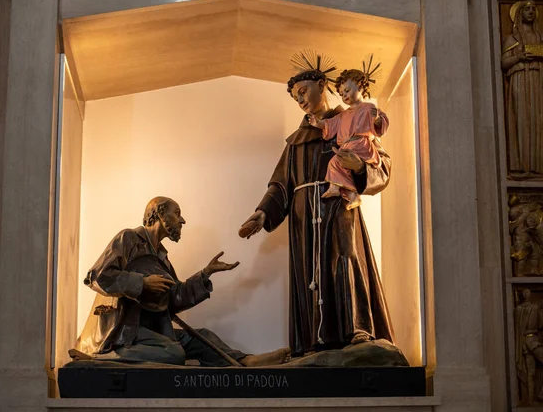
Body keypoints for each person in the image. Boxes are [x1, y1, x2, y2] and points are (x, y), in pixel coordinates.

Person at [239, 53, 394, 358]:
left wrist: (360, 169)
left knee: (345, 259)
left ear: (322, 86)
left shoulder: (353, 121)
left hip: (339, 208)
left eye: (303, 92)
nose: (300, 100)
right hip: (304, 217)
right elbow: (280, 184)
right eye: (295, 96)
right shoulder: (296, 141)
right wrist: (262, 213)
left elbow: (382, 167)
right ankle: (315, 342)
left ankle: (357, 331)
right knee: (309, 273)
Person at [74, 196, 288, 367]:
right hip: (122, 330)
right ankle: (104, 358)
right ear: (159, 213)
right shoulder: (128, 239)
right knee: (173, 353)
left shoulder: (162, 259)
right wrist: (142, 283)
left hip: (150, 332)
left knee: (203, 337)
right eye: (177, 214)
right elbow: (97, 276)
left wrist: (205, 274)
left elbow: (174, 298)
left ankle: (244, 362)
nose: (182, 220)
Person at [308, 67, 389, 207]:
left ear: (360, 87)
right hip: (347, 145)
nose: (344, 96)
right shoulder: (343, 115)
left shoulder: (368, 108)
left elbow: (382, 123)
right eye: (341, 94)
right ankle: (344, 192)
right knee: (334, 163)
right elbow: (330, 124)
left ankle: (347, 192)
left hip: (360, 144)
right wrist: (318, 123)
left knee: (342, 162)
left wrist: (377, 119)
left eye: (347, 91)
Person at [501, 0, 543, 177]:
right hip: (519, 80)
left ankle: (537, 167)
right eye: (527, 9)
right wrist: (518, 56)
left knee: (538, 121)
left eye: (533, 9)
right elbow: (504, 62)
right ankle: (522, 167)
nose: (531, 12)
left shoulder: (541, 37)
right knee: (522, 120)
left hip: (537, 80)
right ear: (519, 14)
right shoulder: (512, 39)